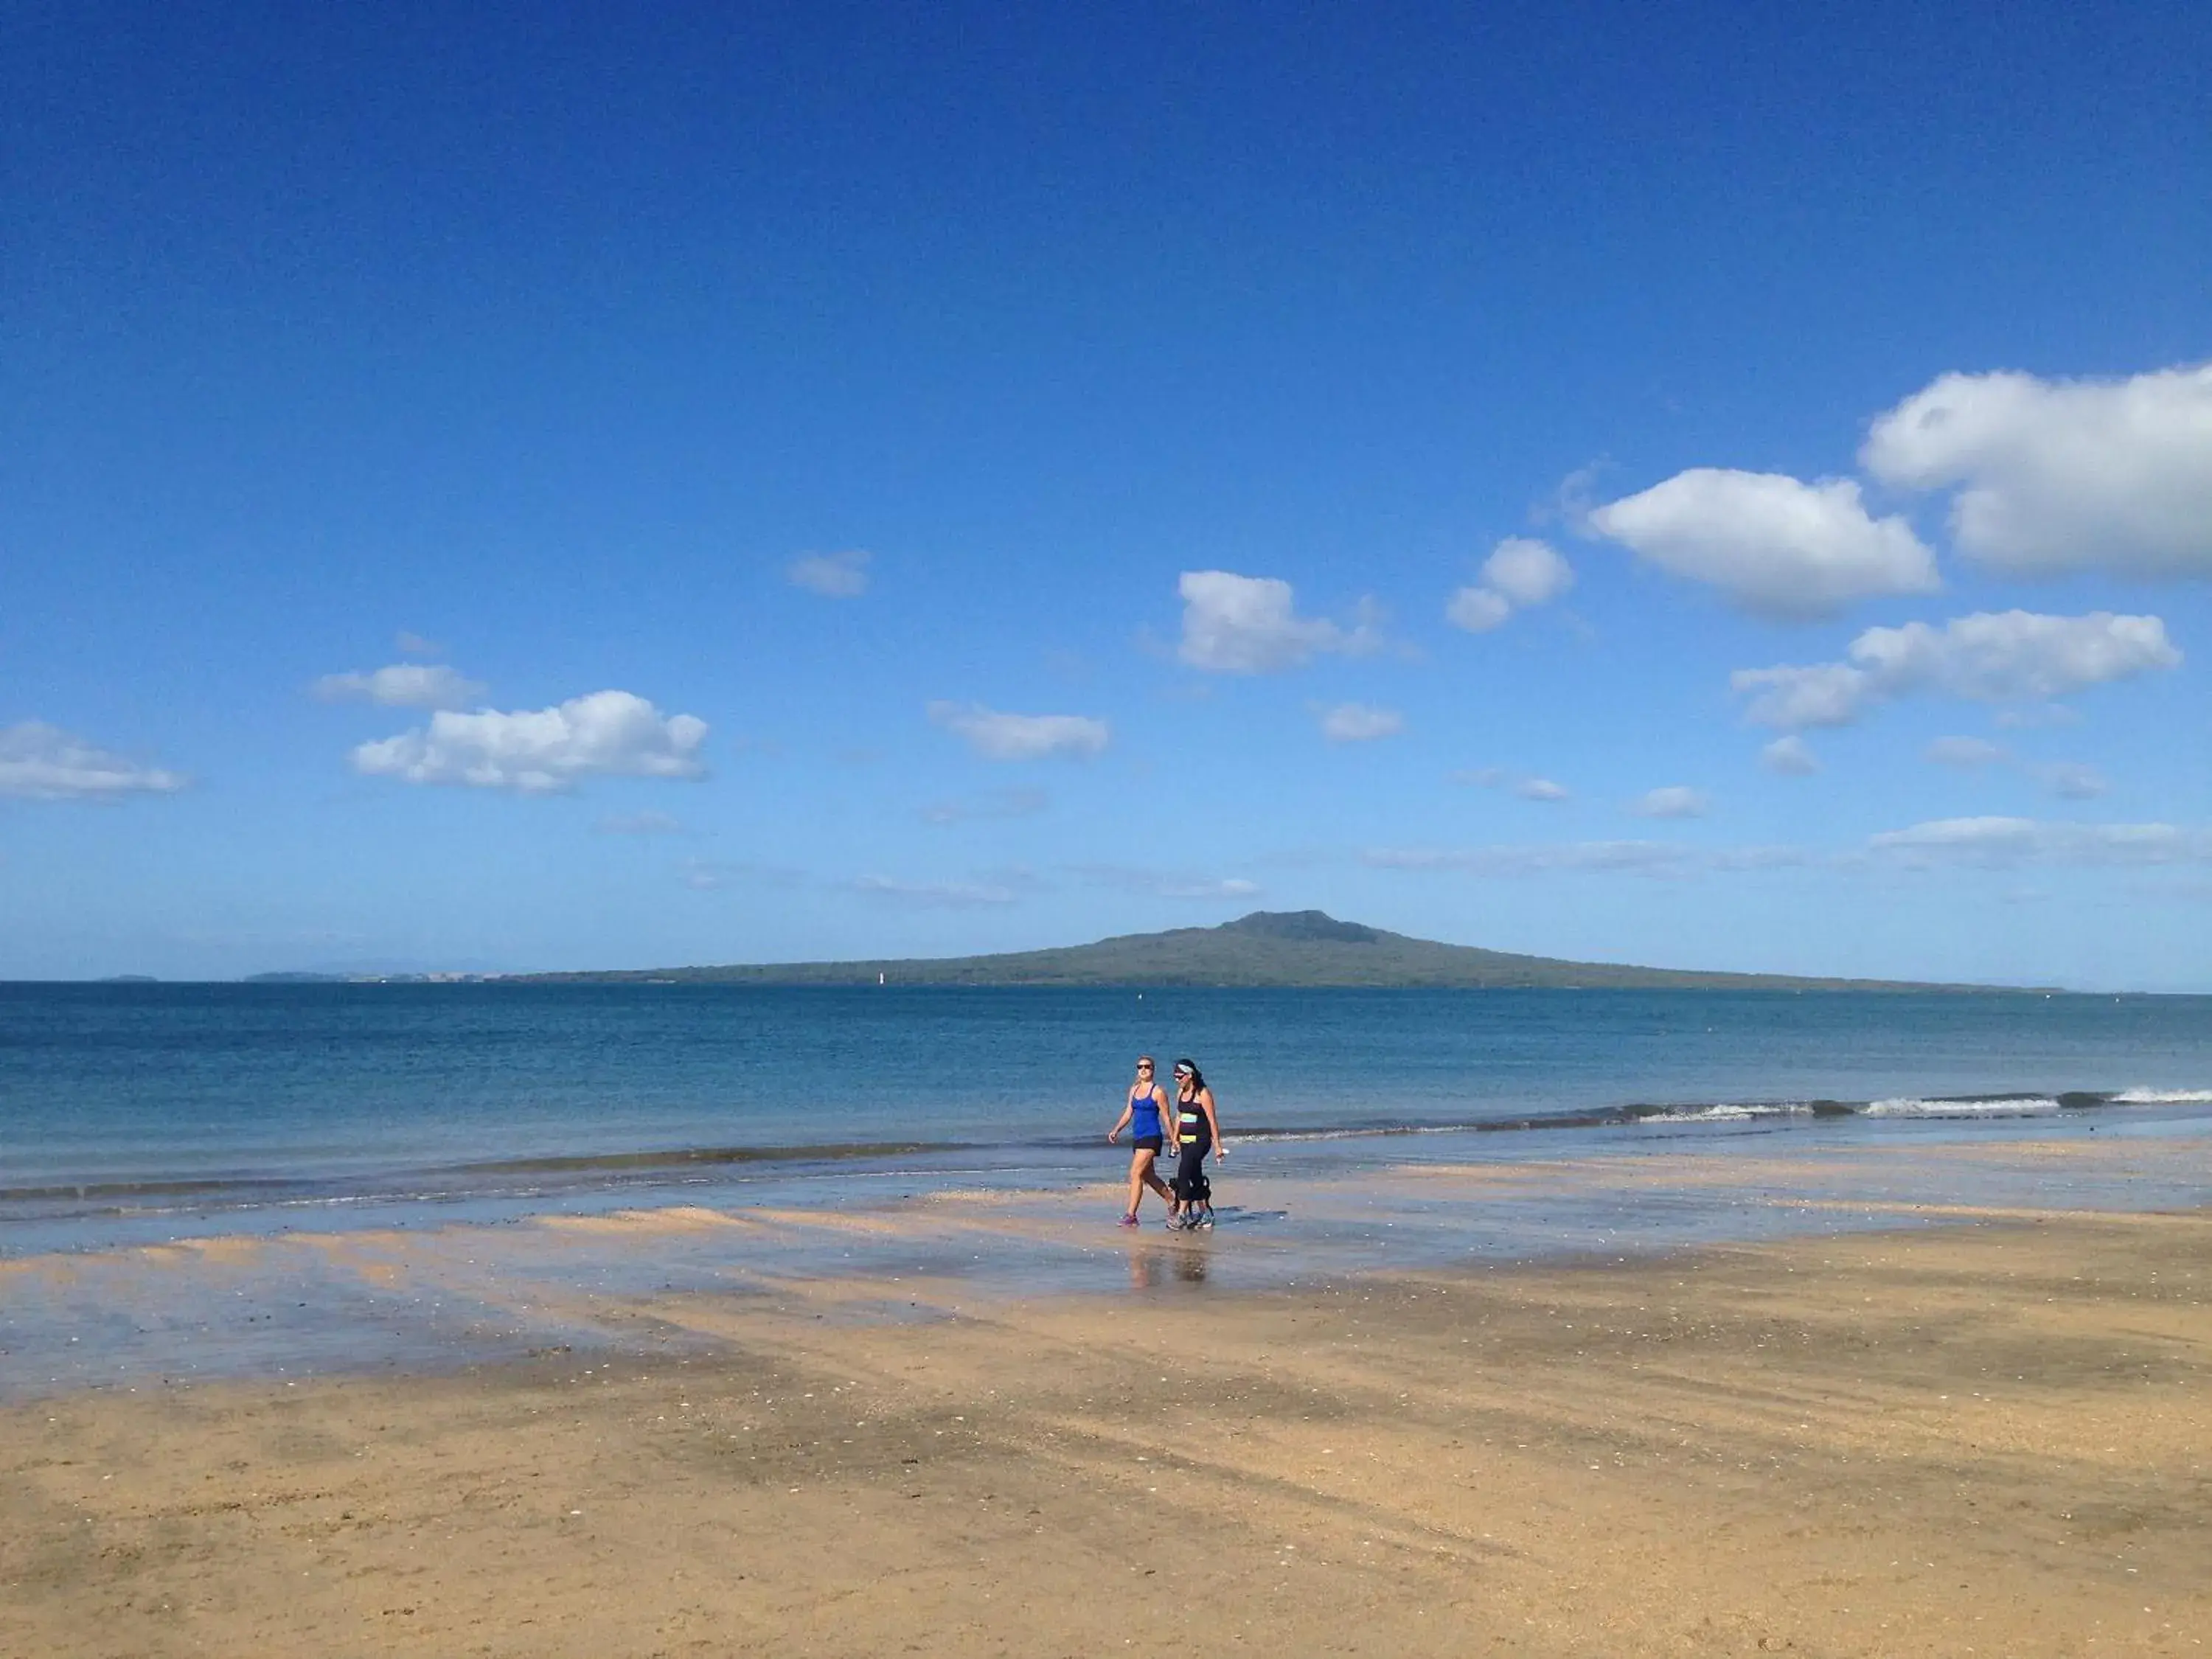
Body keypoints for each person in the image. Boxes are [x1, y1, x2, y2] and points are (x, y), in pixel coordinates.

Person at [1106, 1054, 1175, 1227]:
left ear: (1153, 1070)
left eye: (1147, 1067)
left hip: (1152, 1137)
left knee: (1135, 1173)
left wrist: (1174, 1139)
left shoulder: (1158, 1092)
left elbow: (1166, 1117)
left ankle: (1131, 1215)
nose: (1143, 1069)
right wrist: (1116, 1130)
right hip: (1138, 1137)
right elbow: (1129, 1112)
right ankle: (1173, 1202)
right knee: (1148, 1175)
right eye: (1140, 1067)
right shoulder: (1134, 1090)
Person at [1167, 1058, 1225, 1230]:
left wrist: (1217, 1146)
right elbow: (1179, 1117)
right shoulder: (1180, 1093)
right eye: (1175, 1077)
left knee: (1184, 1172)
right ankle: (1205, 1212)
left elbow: (1212, 1121)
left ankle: (1182, 1214)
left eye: (1180, 1077)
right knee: (1194, 1175)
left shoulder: (1203, 1094)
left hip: (1201, 1141)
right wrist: (1175, 1139)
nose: (1177, 1080)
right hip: (1185, 1141)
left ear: (1190, 1075)